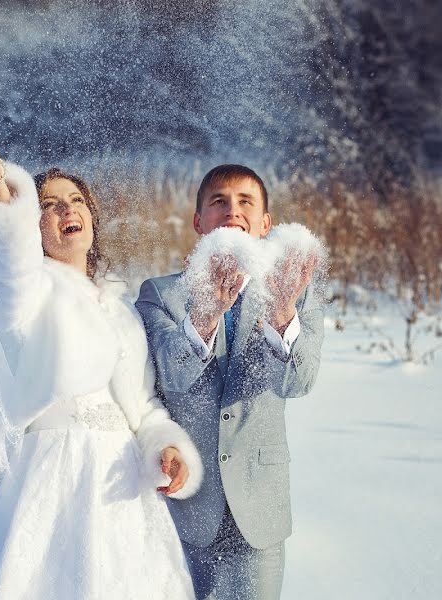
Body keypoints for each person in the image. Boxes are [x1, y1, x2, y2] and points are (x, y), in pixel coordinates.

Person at [0, 116, 203, 600]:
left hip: (121, 490)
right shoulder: (27, 294)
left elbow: (141, 405)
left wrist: (164, 447)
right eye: (49, 204)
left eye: (77, 200)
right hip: (53, 481)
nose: (68, 208)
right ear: (32, 224)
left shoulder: (120, 309)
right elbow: (8, 257)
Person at [135, 164, 324, 600]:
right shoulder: (160, 295)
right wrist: (203, 317)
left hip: (259, 511)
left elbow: (299, 382)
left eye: (245, 202)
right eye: (218, 201)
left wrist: (281, 313)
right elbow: (173, 379)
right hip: (183, 506)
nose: (232, 210)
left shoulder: (295, 293)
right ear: (199, 221)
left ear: (265, 223)